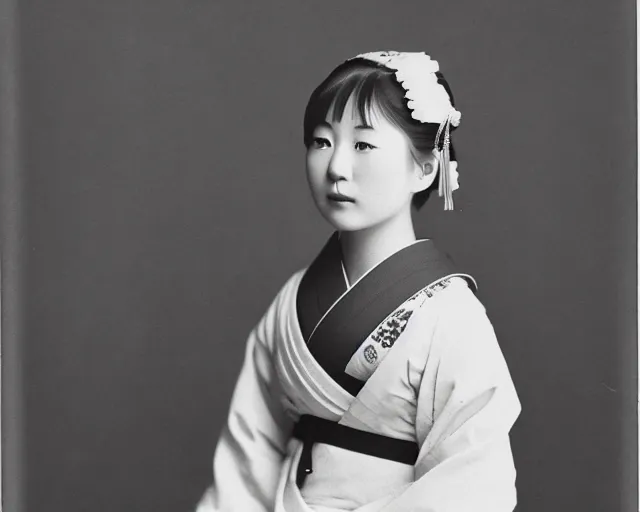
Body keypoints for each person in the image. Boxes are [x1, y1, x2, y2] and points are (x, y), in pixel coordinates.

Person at [194, 50, 521, 512]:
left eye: (363, 145)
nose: (336, 167)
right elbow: (249, 454)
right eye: (322, 141)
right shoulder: (293, 302)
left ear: (425, 167)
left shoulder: (449, 316)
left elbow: (471, 481)